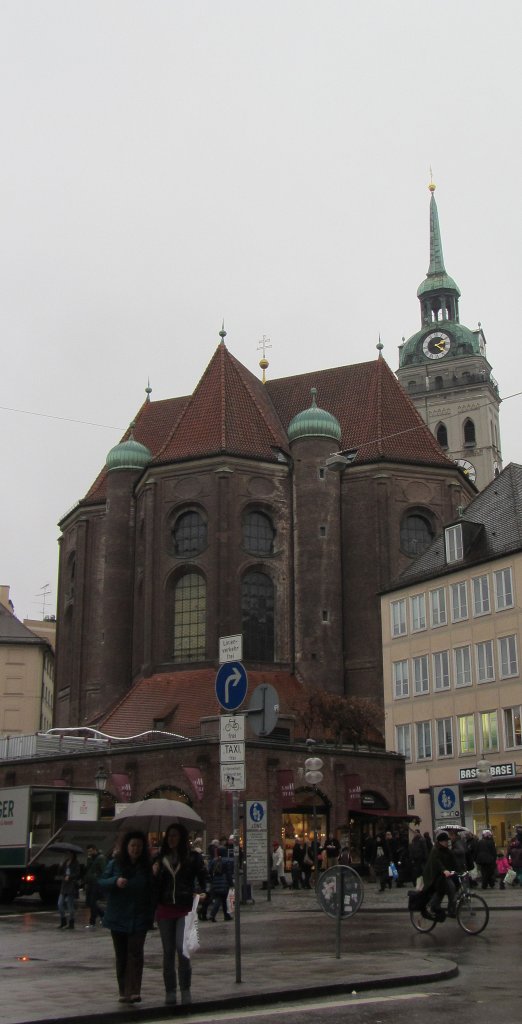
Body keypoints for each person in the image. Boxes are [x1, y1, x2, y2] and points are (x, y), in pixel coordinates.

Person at [153, 824, 209, 1006]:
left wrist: (203, 892)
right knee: (168, 951)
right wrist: (153, 873)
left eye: (175, 835)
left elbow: (204, 878)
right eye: (169, 836)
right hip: (165, 908)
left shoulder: (192, 858)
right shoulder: (159, 859)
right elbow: (151, 885)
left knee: (181, 948)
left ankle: (185, 989)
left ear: (182, 837)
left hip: (184, 908)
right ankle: (170, 991)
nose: (171, 839)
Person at [99, 831, 154, 1005]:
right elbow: (102, 882)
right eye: (132, 846)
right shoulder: (116, 863)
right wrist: (115, 881)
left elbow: (152, 890)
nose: (135, 849)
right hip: (118, 916)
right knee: (121, 955)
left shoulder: (147, 867)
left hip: (139, 916)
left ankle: (135, 990)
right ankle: (123, 990)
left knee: (136, 953)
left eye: (138, 846)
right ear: (126, 847)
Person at [422, 831, 458, 918]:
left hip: (442, 875)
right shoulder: (435, 850)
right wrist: (444, 870)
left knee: (451, 889)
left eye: (447, 841)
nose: (447, 842)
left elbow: (453, 860)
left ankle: (450, 910)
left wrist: (461, 869)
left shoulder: (446, 850)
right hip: (433, 875)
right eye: (445, 841)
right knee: (446, 889)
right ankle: (432, 906)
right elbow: (437, 862)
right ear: (441, 842)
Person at [207, 845, 233, 922]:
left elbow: (209, 871)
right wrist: (231, 883)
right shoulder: (227, 861)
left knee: (222, 899)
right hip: (224, 882)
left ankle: (226, 915)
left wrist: (212, 880)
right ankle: (212, 914)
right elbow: (228, 873)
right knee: (220, 898)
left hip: (216, 881)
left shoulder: (214, 861)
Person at [57, 850, 81, 930]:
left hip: (71, 885)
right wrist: (60, 866)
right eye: (67, 853)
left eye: (70, 853)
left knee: (70, 905)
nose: (68, 855)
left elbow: (77, 873)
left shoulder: (75, 863)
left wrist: (70, 877)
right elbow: (60, 872)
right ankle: (63, 920)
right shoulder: (65, 862)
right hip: (64, 885)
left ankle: (71, 922)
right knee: (60, 904)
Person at [84, 844, 106, 928]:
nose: (89, 853)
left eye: (90, 851)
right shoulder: (90, 859)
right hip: (90, 883)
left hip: (96, 883)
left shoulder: (100, 858)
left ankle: (92, 922)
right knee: (89, 902)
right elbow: (88, 869)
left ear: (94, 850)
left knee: (93, 902)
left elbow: (103, 870)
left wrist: (100, 879)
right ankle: (102, 915)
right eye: (88, 851)